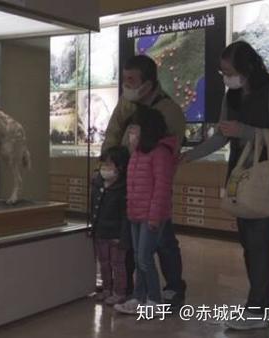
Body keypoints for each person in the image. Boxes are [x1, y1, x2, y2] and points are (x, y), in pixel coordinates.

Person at [181, 41, 269, 331]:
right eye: (223, 72)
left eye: (229, 71)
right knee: (249, 243)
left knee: (259, 241)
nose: (226, 77)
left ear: (247, 68)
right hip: (242, 180)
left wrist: (244, 131)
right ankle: (259, 304)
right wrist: (189, 155)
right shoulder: (232, 96)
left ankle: (258, 309)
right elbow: (221, 136)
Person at [101, 55, 187, 308]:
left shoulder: (168, 112)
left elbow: (165, 160)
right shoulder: (128, 103)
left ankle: (170, 289)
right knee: (132, 244)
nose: (126, 85)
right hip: (127, 185)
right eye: (124, 79)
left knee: (162, 240)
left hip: (151, 191)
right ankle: (133, 290)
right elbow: (113, 132)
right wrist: (107, 162)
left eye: (131, 80)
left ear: (148, 83)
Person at [114, 108, 179, 316]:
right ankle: (139, 298)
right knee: (139, 257)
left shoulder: (160, 153)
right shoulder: (137, 153)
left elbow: (161, 188)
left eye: (135, 127)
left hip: (152, 216)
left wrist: (154, 216)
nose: (131, 132)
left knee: (144, 258)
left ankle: (154, 300)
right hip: (135, 214)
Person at [90, 146, 131, 306]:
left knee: (118, 264)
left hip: (116, 235)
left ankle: (119, 292)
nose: (105, 168)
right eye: (103, 164)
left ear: (120, 167)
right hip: (100, 232)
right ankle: (106, 288)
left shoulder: (123, 188)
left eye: (109, 164)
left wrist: (122, 237)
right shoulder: (98, 184)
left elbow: (125, 216)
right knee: (104, 262)